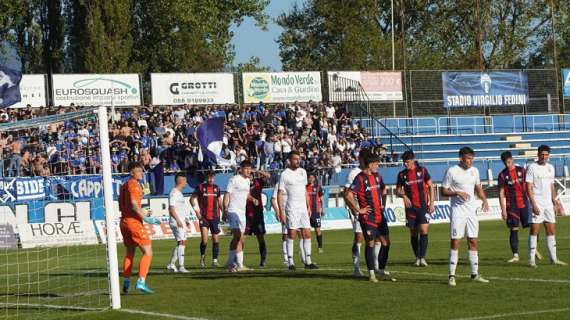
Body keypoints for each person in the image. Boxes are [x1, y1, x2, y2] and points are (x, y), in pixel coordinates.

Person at [441, 147, 490, 286]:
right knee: (456, 241)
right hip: (458, 212)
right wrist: (457, 193)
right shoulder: (452, 171)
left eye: (472, 159)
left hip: (471, 211)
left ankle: (474, 274)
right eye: (468, 158)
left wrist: (484, 200)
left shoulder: (475, 171)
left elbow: (478, 188)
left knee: (473, 240)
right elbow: (443, 190)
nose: (470, 161)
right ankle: (451, 275)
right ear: (461, 158)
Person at [345, 152, 395, 283]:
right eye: (377, 163)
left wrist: (383, 204)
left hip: (380, 215)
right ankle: (372, 273)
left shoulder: (377, 176)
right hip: (368, 217)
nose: (378, 166)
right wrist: (358, 209)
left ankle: (381, 270)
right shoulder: (360, 178)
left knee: (386, 242)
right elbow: (348, 195)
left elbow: (384, 190)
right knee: (370, 243)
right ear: (370, 164)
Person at [118, 161, 160, 294]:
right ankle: (141, 281)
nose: (141, 173)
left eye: (142, 171)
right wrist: (146, 217)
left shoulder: (123, 186)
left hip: (124, 222)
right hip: (133, 223)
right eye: (138, 171)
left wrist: (143, 211)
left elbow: (123, 206)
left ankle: (126, 283)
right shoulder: (134, 185)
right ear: (131, 172)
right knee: (148, 252)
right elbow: (134, 205)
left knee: (130, 253)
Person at [526, 145, 567, 267]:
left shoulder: (550, 167)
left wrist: (555, 202)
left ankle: (553, 259)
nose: (544, 156)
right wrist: (533, 204)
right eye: (542, 154)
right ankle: (531, 259)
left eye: (546, 154)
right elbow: (528, 187)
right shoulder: (532, 167)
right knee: (534, 230)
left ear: (549, 155)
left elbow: (551, 186)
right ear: (538, 155)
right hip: (536, 202)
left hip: (548, 204)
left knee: (551, 230)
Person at [278, 151, 319, 270]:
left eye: (299, 159)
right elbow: (280, 193)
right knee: (291, 234)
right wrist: (281, 211)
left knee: (307, 233)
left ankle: (308, 261)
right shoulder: (285, 174)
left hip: (303, 209)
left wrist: (308, 206)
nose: (298, 161)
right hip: (291, 208)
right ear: (289, 160)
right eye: (295, 159)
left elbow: (304, 190)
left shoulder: (303, 172)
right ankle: (290, 262)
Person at [395, 150, 435, 267]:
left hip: (423, 206)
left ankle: (422, 257)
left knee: (424, 230)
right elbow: (397, 190)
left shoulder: (422, 171)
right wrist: (403, 195)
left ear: (413, 160)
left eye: (407, 162)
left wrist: (432, 203)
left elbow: (431, 186)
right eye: (404, 162)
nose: (405, 164)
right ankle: (417, 257)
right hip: (410, 208)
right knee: (413, 233)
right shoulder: (402, 175)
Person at [343, 149, 376, 277]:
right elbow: (346, 192)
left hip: (371, 210)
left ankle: (376, 267)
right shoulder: (354, 173)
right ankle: (356, 268)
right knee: (359, 237)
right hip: (358, 209)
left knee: (375, 237)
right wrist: (355, 210)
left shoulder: (372, 172)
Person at [497, 151, 531, 263]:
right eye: (505, 162)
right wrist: (503, 210)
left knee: (533, 227)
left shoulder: (521, 170)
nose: (507, 164)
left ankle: (533, 248)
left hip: (525, 203)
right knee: (514, 229)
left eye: (508, 161)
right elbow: (501, 193)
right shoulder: (502, 175)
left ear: (512, 159)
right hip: (512, 205)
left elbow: (528, 186)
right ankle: (515, 255)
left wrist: (533, 201)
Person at [223, 160, 255, 272]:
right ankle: (232, 263)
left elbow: (246, 195)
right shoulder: (234, 179)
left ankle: (238, 265)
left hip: (242, 213)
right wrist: (225, 210)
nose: (248, 171)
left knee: (240, 239)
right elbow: (227, 194)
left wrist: (253, 199)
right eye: (246, 168)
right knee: (237, 236)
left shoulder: (247, 181)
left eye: (249, 168)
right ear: (241, 169)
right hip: (233, 211)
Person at [191, 171, 223, 268]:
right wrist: (197, 212)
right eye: (209, 178)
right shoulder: (200, 187)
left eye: (212, 178)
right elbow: (192, 199)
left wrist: (224, 212)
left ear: (214, 178)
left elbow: (219, 201)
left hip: (215, 217)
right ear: (206, 178)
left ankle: (214, 260)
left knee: (215, 239)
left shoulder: (217, 188)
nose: (211, 179)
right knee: (204, 240)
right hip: (204, 218)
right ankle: (202, 257)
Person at [245, 170, 271, 267]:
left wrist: (256, 170)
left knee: (260, 237)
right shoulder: (243, 184)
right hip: (246, 214)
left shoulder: (258, 182)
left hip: (257, 214)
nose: (250, 176)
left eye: (251, 174)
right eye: (248, 174)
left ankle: (263, 260)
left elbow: (268, 175)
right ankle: (238, 261)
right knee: (242, 238)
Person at [166, 173, 192, 273]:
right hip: (176, 221)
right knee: (181, 242)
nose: (186, 183)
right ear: (180, 181)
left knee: (182, 242)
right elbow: (171, 208)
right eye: (185, 180)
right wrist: (177, 220)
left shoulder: (179, 193)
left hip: (181, 221)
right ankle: (181, 266)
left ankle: (171, 264)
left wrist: (185, 220)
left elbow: (179, 208)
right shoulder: (174, 193)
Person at [271, 181, 289, 266]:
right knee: (285, 235)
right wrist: (278, 212)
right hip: (284, 212)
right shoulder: (278, 184)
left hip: (296, 211)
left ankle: (305, 258)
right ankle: (286, 259)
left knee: (301, 233)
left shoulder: (296, 181)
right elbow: (273, 199)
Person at [306, 172, 325, 253]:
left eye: (312, 177)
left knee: (317, 229)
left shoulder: (318, 187)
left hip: (316, 211)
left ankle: (320, 247)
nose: (311, 179)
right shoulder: (304, 187)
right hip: (306, 211)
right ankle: (306, 248)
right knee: (306, 230)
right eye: (309, 177)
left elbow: (322, 198)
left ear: (314, 178)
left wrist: (323, 209)